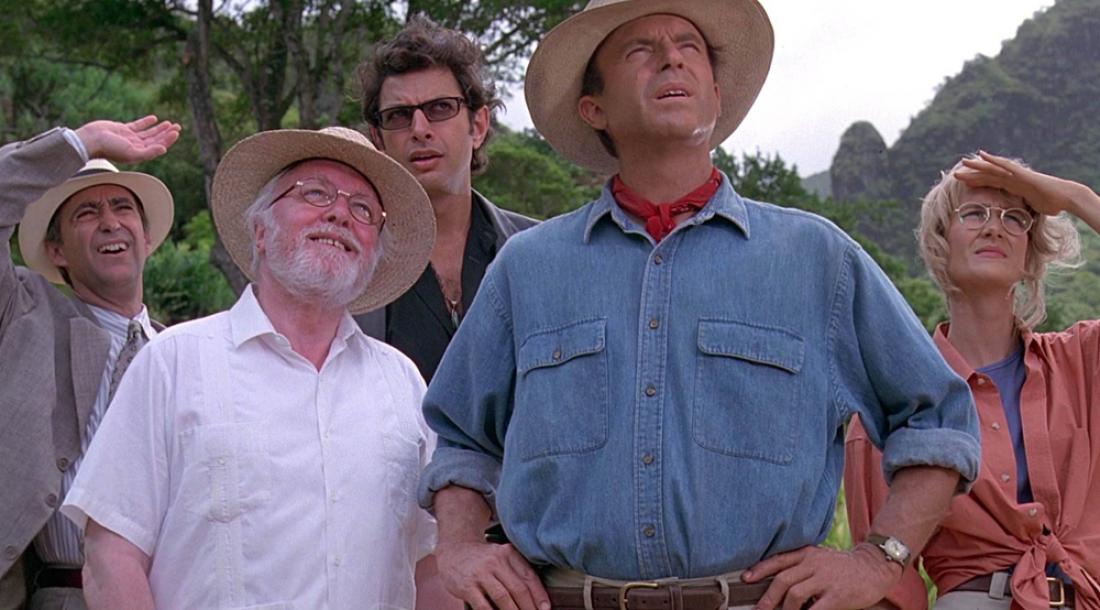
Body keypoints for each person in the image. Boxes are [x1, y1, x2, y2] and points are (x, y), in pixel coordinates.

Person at [417, 1, 982, 609]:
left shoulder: (816, 259)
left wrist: (879, 558)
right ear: (594, 108)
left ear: (716, 95)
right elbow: (460, 437)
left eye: (689, 46)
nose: (671, 58)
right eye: (640, 50)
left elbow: (939, 418)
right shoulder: (528, 268)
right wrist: (460, 547)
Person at [60, 126, 440, 609]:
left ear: (372, 255)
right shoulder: (172, 363)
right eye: (315, 193)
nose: (340, 213)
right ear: (260, 232)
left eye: (364, 210)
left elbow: (431, 565)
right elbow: (111, 555)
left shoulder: (402, 384)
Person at [845, 151, 1100, 610]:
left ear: (1030, 253)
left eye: (1014, 218)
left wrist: (1076, 198)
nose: (994, 228)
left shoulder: (1081, 361)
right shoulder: (896, 399)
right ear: (940, 242)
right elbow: (883, 585)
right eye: (974, 213)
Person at [0, 116, 179, 610]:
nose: (110, 222)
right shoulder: (22, 312)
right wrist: (80, 143)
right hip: (61, 593)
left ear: (146, 237)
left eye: (123, 207)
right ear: (55, 250)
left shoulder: (182, 352)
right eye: (86, 212)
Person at [355, 16, 536, 383]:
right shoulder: (352, 267)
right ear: (378, 139)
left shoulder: (540, 253)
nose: (419, 130)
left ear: (478, 126)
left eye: (440, 108)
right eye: (399, 116)